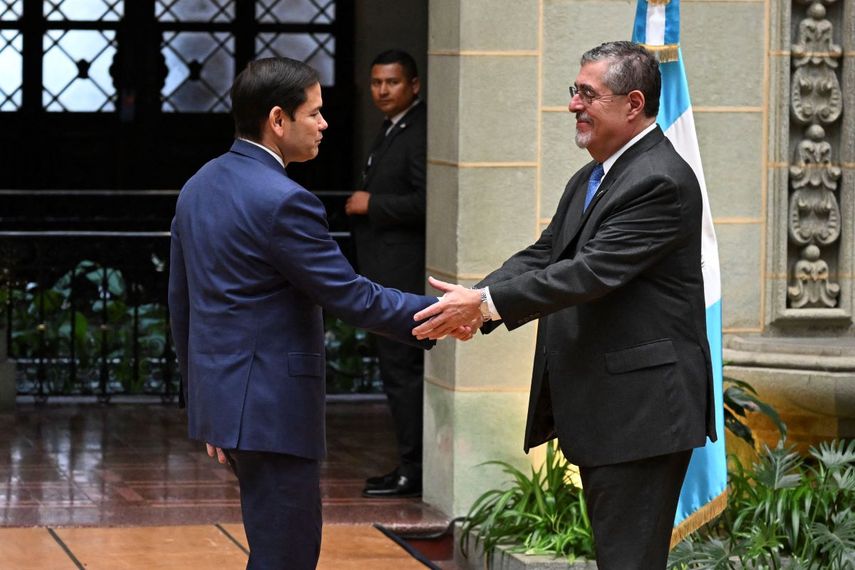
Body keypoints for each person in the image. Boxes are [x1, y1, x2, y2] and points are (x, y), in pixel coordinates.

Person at [412, 41, 717, 569]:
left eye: (587, 94)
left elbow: (589, 272)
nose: (573, 105)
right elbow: (545, 253)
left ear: (634, 104)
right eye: (574, 91)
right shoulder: (595, 174)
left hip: (643, 415)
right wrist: (474, 300)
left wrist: (484, 306)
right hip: (613, 411)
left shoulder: (659, 180)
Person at [168, 57, 437, 570]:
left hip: (235, 406)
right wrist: (445, 313)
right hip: (272, 407)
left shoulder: (199, 184)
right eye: (313, 113)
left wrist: (209, 409)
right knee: (287, 556)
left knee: (275, 551)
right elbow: (350, 296)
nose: (324, 124)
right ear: (277, 120)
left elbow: (183, 303)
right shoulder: (285, 200)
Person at [345, 49, 427, 498]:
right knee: (395, 374)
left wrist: (370, 204)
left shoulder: (418, 131)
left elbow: (427, 200)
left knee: (403, 374)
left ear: (413, 85)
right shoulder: (391, 128)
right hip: (383, 271)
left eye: (392, 83)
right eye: (376, 82)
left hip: (403, 275)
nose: (382, 91)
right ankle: (407, 465)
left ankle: (413, 471)